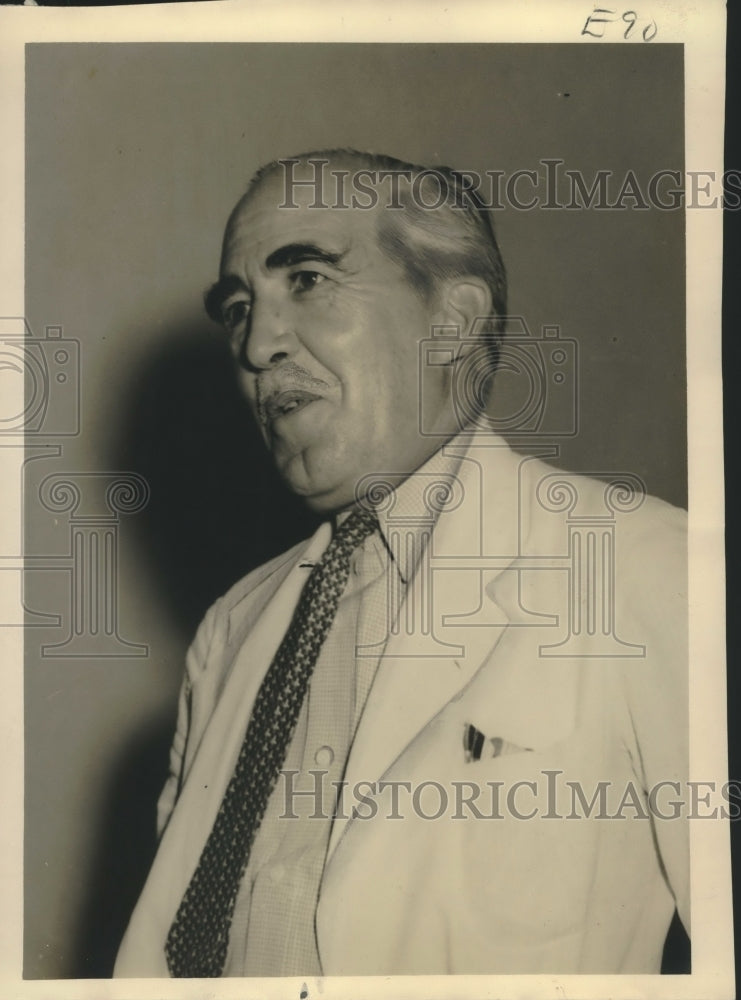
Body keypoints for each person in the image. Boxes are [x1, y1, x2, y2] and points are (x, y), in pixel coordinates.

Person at [114, 150, 688, 977]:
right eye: (238, 309)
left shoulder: (643, 568)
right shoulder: (232, 628)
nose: (256, 345)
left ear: (452, 320)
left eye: (307, 279)